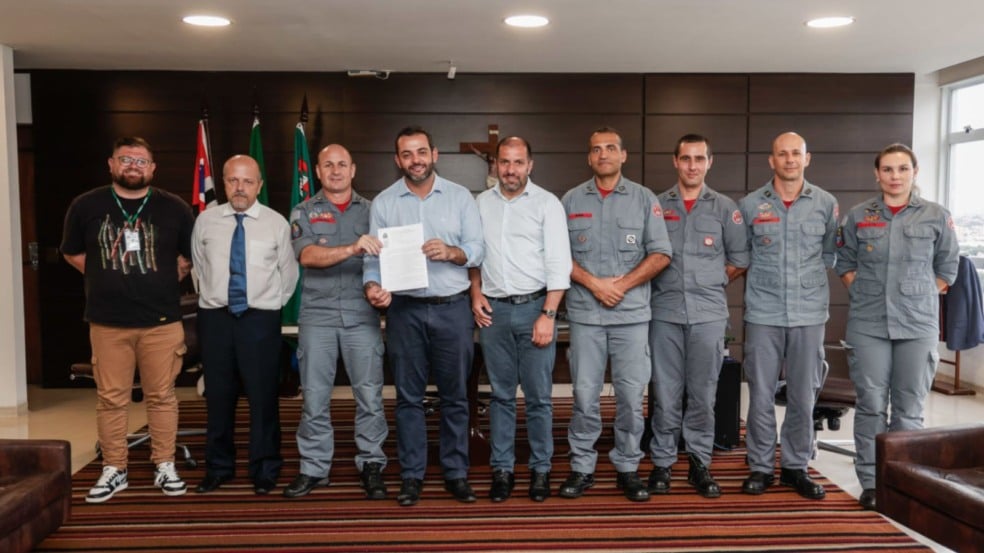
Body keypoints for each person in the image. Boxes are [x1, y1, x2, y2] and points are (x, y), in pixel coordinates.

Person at [62, 136, 195, 503]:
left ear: (152, 168)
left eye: (140, 160)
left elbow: (188, 257)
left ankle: (164, 465)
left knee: (162, 397)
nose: (133, 166)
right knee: (111, 399)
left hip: (162, 320)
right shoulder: (86, 205)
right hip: (108, 322)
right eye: (125, 159)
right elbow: (72, 253)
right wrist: (108, 276)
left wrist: (161, 279)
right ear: (111, 164)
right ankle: (114, 468)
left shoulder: (175, 208)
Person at [362, 126, 485, 506]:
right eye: (406, 154)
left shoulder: (461, 197)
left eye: (421, 152)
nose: (415, 160)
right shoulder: (384, 203)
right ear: (398, 160)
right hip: (405, 311)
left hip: (452, 309)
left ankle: (455, 473)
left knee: (456, 398)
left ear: (434, 154)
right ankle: (412, 476)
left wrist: (451, 252)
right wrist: (372, 287)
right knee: (408, 398)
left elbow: (477, 250)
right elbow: (372, 259)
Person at [835, 144, 959, 510]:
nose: (894, 176)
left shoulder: (936, 216)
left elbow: (947, 270)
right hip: (869, 323)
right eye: (887, 169)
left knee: (908, 408)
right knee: (871, 405)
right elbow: (844, 263)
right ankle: (872, 483)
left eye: (902, 169)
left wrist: (916, 296)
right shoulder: (859, 216)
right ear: (877, 174)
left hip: (917, 324)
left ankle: (902, 483)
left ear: (914, 172)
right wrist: (864, 291)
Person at [559, 127, 672, 502]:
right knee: (584, 396)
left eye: (610, 148)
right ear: (589, 158)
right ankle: (582, 467)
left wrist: (620, 286)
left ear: (623, 155)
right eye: (596, 149)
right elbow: (559, 257)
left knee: (630, 396)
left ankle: (628, 466)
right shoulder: (571, 200)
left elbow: (660, 253)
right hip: (586, 316)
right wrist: (595, 284)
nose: (603, 154)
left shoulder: (644, 199)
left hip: (631, 317)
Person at [281, 144, 389, 500]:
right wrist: (352, 248)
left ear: (353, 169)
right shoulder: (303, 210)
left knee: (370, 396)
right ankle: (313, 468)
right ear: (318, 171)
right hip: (318, 318)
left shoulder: (375, 212)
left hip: (362, 316)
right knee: (314, 398)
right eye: (329, 165)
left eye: (343, 164)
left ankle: (372, 463)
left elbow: (389, 260)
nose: (336, 170)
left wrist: (384, 289)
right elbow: (307, 255)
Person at [469, 136, 572, 503]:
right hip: (493, 313)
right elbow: (475, 257)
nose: (510, 170)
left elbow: (559, 264)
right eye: (504, 162)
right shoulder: (480, 204)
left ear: (530, 165)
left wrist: (548, 314)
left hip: (535, 309)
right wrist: (476, 293)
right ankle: (503, 469)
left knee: (539, 398)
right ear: (495, 165)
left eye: (518, 162)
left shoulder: (547, 204)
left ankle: (541, 470)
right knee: (500, 396)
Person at [737, 132, 838, 500]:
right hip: (763, 313)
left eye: (796, 153)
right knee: (761, 395)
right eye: (783, 154)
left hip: (809, 314)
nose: (790, 159)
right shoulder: (750, 205)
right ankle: (761, 467)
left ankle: (795, 466)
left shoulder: (826, 203)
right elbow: (741, 256)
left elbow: (829, 255)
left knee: (803, 395)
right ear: (772, 160)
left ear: (806, 159)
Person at [647, 134, 749, 498]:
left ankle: (699, 462)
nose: (692, 165)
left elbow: (739, 258)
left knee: (703, 394)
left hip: (707, 315)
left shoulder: (725, 208)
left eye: (699, 159)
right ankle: (661, 462)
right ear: (675, 161)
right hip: (664, 313)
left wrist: (714, 279)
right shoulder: (656, 206)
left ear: (709, 162)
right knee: (665, 393)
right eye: (686, 158)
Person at [191, 155, 298, 495]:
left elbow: (289, 274)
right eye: (233, 180)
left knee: (263, 396)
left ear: (259, 185)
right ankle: (218, 467)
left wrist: (268, 305)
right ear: (223, 183)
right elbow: (198, 268)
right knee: (218, 396)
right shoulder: (206, 222)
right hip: (216, 318)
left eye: (248, 181)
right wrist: (214, 299)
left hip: (259, 319)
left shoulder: (276, 223)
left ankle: (265, 468)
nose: (240, 188)